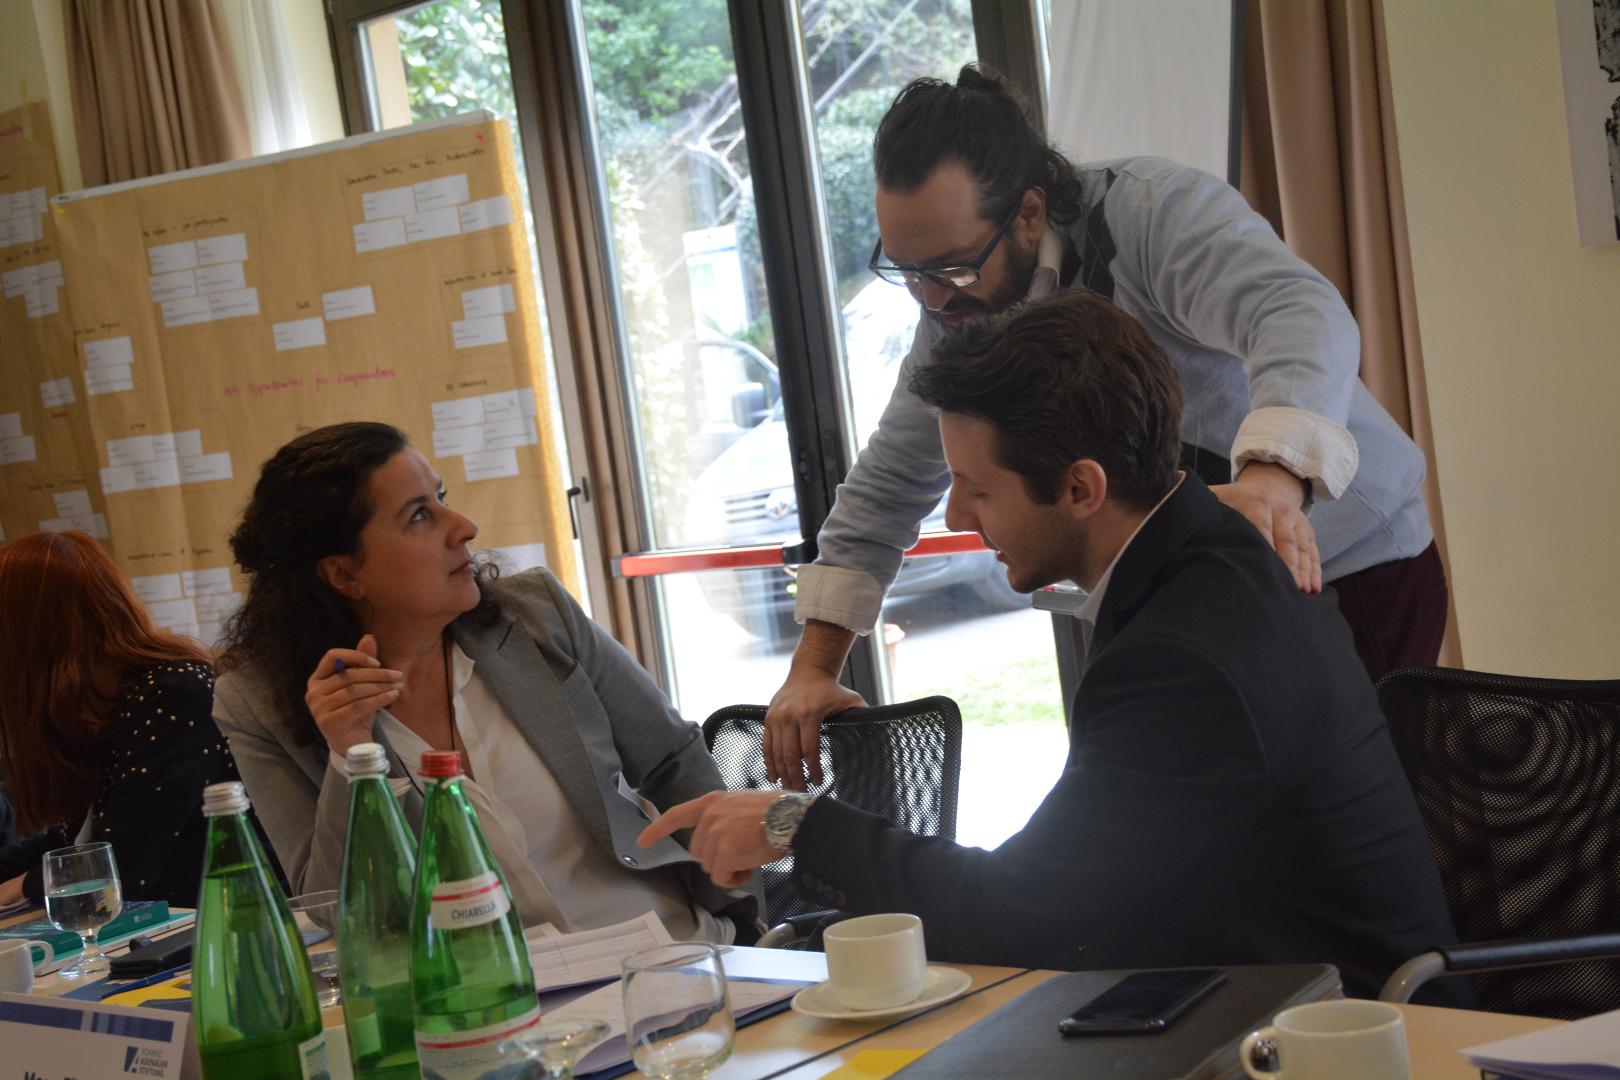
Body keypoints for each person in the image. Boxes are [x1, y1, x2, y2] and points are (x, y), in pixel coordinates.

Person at [641, 291, 1461, 1001]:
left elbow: (1024, 915)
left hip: (1332, 1032)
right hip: (1242, 990)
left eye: (978, 488)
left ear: (1080, 488)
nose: (956, 516)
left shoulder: (1184, 656)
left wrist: (796, 822)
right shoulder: (1208, 557)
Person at [766, 66, 1447, 787]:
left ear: (1029, 214)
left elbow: (1298, 314)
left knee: (1338, 819)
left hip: (1344, 563)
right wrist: (814, 667)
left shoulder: (1150, 213)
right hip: (1187, 598)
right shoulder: (955, 309)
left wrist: (1274, 482)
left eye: (953, 270)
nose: (931, 301)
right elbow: (891, 479)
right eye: (907, 273)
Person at [212, 422, 759, 944]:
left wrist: (742, 909)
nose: (464, 526)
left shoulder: (539, 617)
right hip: (482, 990)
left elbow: (671, 760)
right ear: (344, 574)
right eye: (419, 516)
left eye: (441, 498)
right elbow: (336, 910)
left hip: (666, 948)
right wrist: (351, 755)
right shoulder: (257, 704)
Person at [0, 531, 231, 908]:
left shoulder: (174, 693)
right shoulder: (98, 707)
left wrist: (25, 885)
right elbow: (69, 841)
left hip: (221, 924)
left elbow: (124, 866)